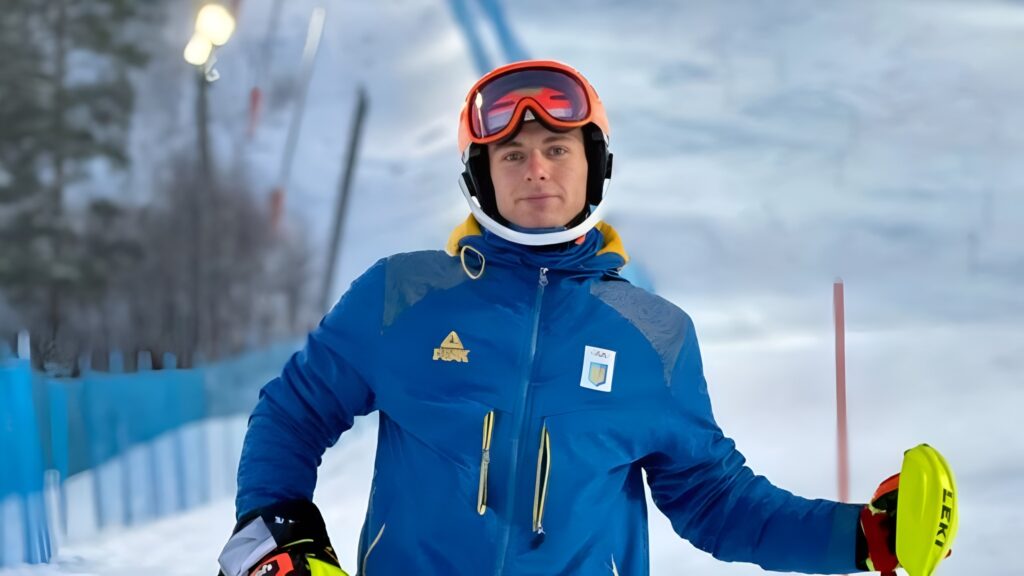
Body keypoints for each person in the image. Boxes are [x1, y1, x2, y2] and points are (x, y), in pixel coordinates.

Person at [217, 60, 916, 576]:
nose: (536, 170)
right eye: (512, 154)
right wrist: (278, 534)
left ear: (594, 164)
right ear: (480, 176)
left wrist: (861, 537)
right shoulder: (401, 295)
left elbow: (717, 500)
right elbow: (294, 411)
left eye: (557, 149)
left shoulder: (654, 336)